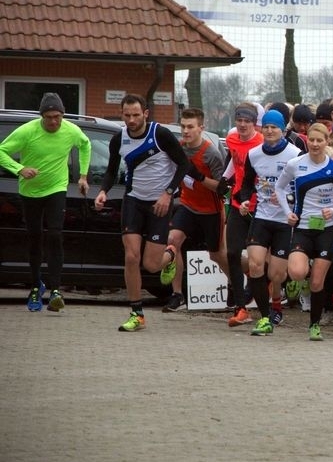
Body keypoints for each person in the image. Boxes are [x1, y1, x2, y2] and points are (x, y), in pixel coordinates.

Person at [94, 94, 190, 331]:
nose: (131, 120)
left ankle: (170, 251)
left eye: (136, 115)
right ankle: (137, 313)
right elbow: (111, 170)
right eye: (127, 115)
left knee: (152, 265)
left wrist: (168, 193)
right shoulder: (119, 139)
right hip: (134, 201)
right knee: (131, 257)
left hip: (159, 204)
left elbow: (183, 164)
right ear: (121, 114)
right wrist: (103, 191)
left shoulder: (160, 135)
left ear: (145, 114)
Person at [0, 93, 90, 312]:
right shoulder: (28, 131)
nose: (53, 122)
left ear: (62, 115)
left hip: (56, 188)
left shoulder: (70, 130)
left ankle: (56, 290)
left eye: (57, 116)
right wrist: (20, 169)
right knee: (35, 239)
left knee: (55, 234)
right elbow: (1, 151)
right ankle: (35, 284)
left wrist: (83, 176)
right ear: (42, 116)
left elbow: (85, 145)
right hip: (30, 192)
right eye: (49, 117)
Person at [276, 122, 333, 340]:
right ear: (307, 140)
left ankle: (314, 325)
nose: (315, 144)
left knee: (318, 282)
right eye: (312, 140)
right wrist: (287, 212)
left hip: (327, 229)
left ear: (326, 142)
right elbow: (279, 188)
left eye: (320, 140)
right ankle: (307, 268)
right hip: (302, 226)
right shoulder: (295, 164)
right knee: (297, 273)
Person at [237, 110, 301, 336]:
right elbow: (246, 184)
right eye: (266, 127)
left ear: (282, 129)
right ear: (261, 129)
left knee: (276, 274)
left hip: (285, 219)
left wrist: (288, 198)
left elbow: (304, 186)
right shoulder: (253, 154)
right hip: (262, 217)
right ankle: (265, 317)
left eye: (274, 127)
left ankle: (276, 304)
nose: (270, 131)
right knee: (254, 265)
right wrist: (245, 200)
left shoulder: (295, 154)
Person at [159, 107, 227, 312]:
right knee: (173, 240)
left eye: (190, 127)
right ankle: (177, 294)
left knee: (217, 255)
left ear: (201, 128)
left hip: (211, 209)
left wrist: (199, 177)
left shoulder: (211, 154)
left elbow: (222, 188)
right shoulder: (178, 149)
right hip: (188, 205)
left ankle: (237, 288)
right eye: (183, 126)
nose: (186, 131)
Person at [222, 103, 264, 327]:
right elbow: (233, 161)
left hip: (260, 206)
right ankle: (241, 308)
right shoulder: (231, 139)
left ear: (254, 122)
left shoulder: (260, 143)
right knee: (232, 253)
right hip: (238, 203)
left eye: (247, 121)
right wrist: (224, 179)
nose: (243, 124)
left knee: (259, 258)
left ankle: (269, 303)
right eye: (239, 120)